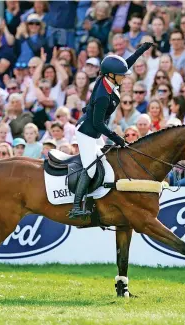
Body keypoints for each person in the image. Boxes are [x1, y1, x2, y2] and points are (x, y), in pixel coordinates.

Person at [69, 42, 154, 219]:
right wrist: (118, 139)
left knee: (106, 162)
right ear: (110, 75)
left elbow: (126, 65)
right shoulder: (102, 96)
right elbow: (98, 123)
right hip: (87, 132)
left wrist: (141, 50)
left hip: (95, 130)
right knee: (91, 168)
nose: (124, 78)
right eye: (121, 76)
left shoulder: (109, 79)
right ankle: (76, 206)